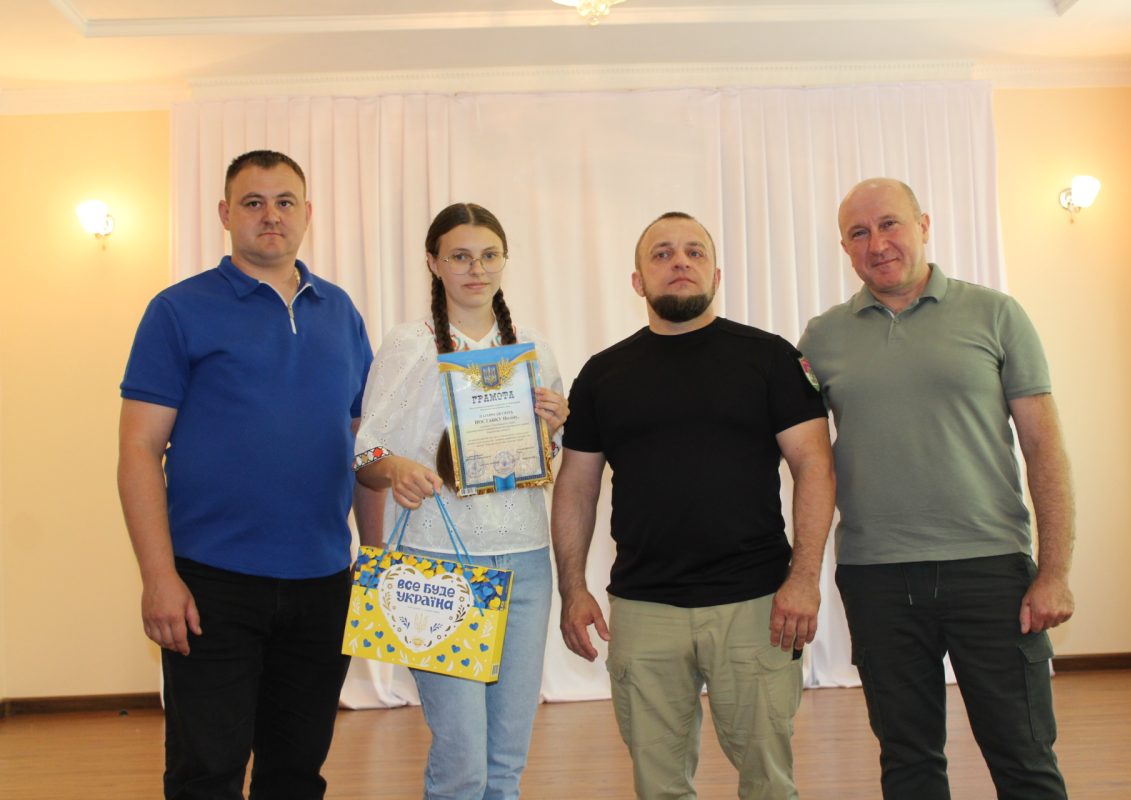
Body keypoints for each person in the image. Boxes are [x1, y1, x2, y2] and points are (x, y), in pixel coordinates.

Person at [798, 178, 1075, 799]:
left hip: (992, 572)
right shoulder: (821, 338)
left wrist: (1054, 571)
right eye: (859, 233)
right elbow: (804, 457)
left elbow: (1044, 450)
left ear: (923, 225)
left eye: (890, 224)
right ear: (844, 248)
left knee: (1024, 758)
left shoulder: (996, 314)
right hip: (876, 577)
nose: (878, 243)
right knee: (908, 763)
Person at [117, 150, 377, 799]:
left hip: (323, 584)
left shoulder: (341, 312)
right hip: (210, 585)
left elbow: (364, 447)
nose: (270, 215)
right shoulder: (178, 310)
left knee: (295, 774)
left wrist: (373, 565)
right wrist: (159, 578)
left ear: (307, 213)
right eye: (253, 202)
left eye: (285, 202)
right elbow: (139, 450)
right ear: (225, 214)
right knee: (206, 774)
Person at [552, 211, 836, 800]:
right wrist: (572, 589)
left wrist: (805, 579)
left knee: (769, 784)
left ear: (716, 274)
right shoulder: (602, 375)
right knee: (659, 788)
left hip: (756, 605)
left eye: (694, 252)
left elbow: (814, 466)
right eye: (661, 254)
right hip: (644, 608)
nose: (679, 262)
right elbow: (576, 487)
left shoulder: (770, 358)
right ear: (638, 281)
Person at [352, 202, 569, 800]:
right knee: (462, 764)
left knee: (506, 763)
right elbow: (366, 453)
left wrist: (558, 423)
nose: (477, 269)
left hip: (526, 561)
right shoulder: (411, 344)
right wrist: (395, 468)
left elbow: (551, 460)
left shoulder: (533, 350)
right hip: (438, 566)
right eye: (461, 256)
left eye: (489, 255)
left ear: (505, 260)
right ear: (434, 263)